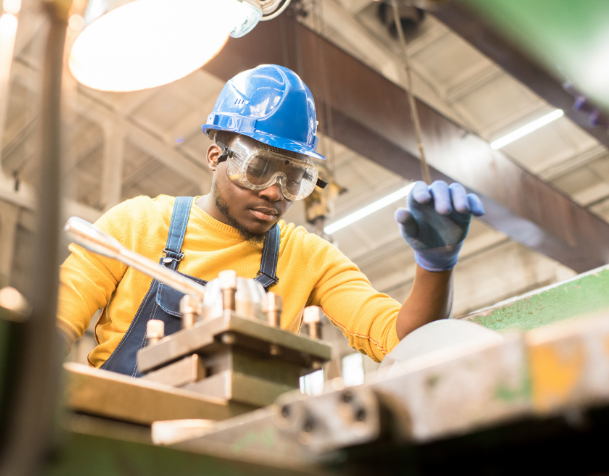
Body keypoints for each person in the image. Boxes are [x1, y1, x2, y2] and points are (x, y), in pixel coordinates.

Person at [57, 64, 484, 376]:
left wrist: (434, 268)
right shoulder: (134, 226)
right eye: (258, 168)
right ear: (214, 156)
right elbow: (53, 325)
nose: (275, 192)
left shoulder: (309, 258)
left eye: (295, 178)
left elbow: (401, 340)